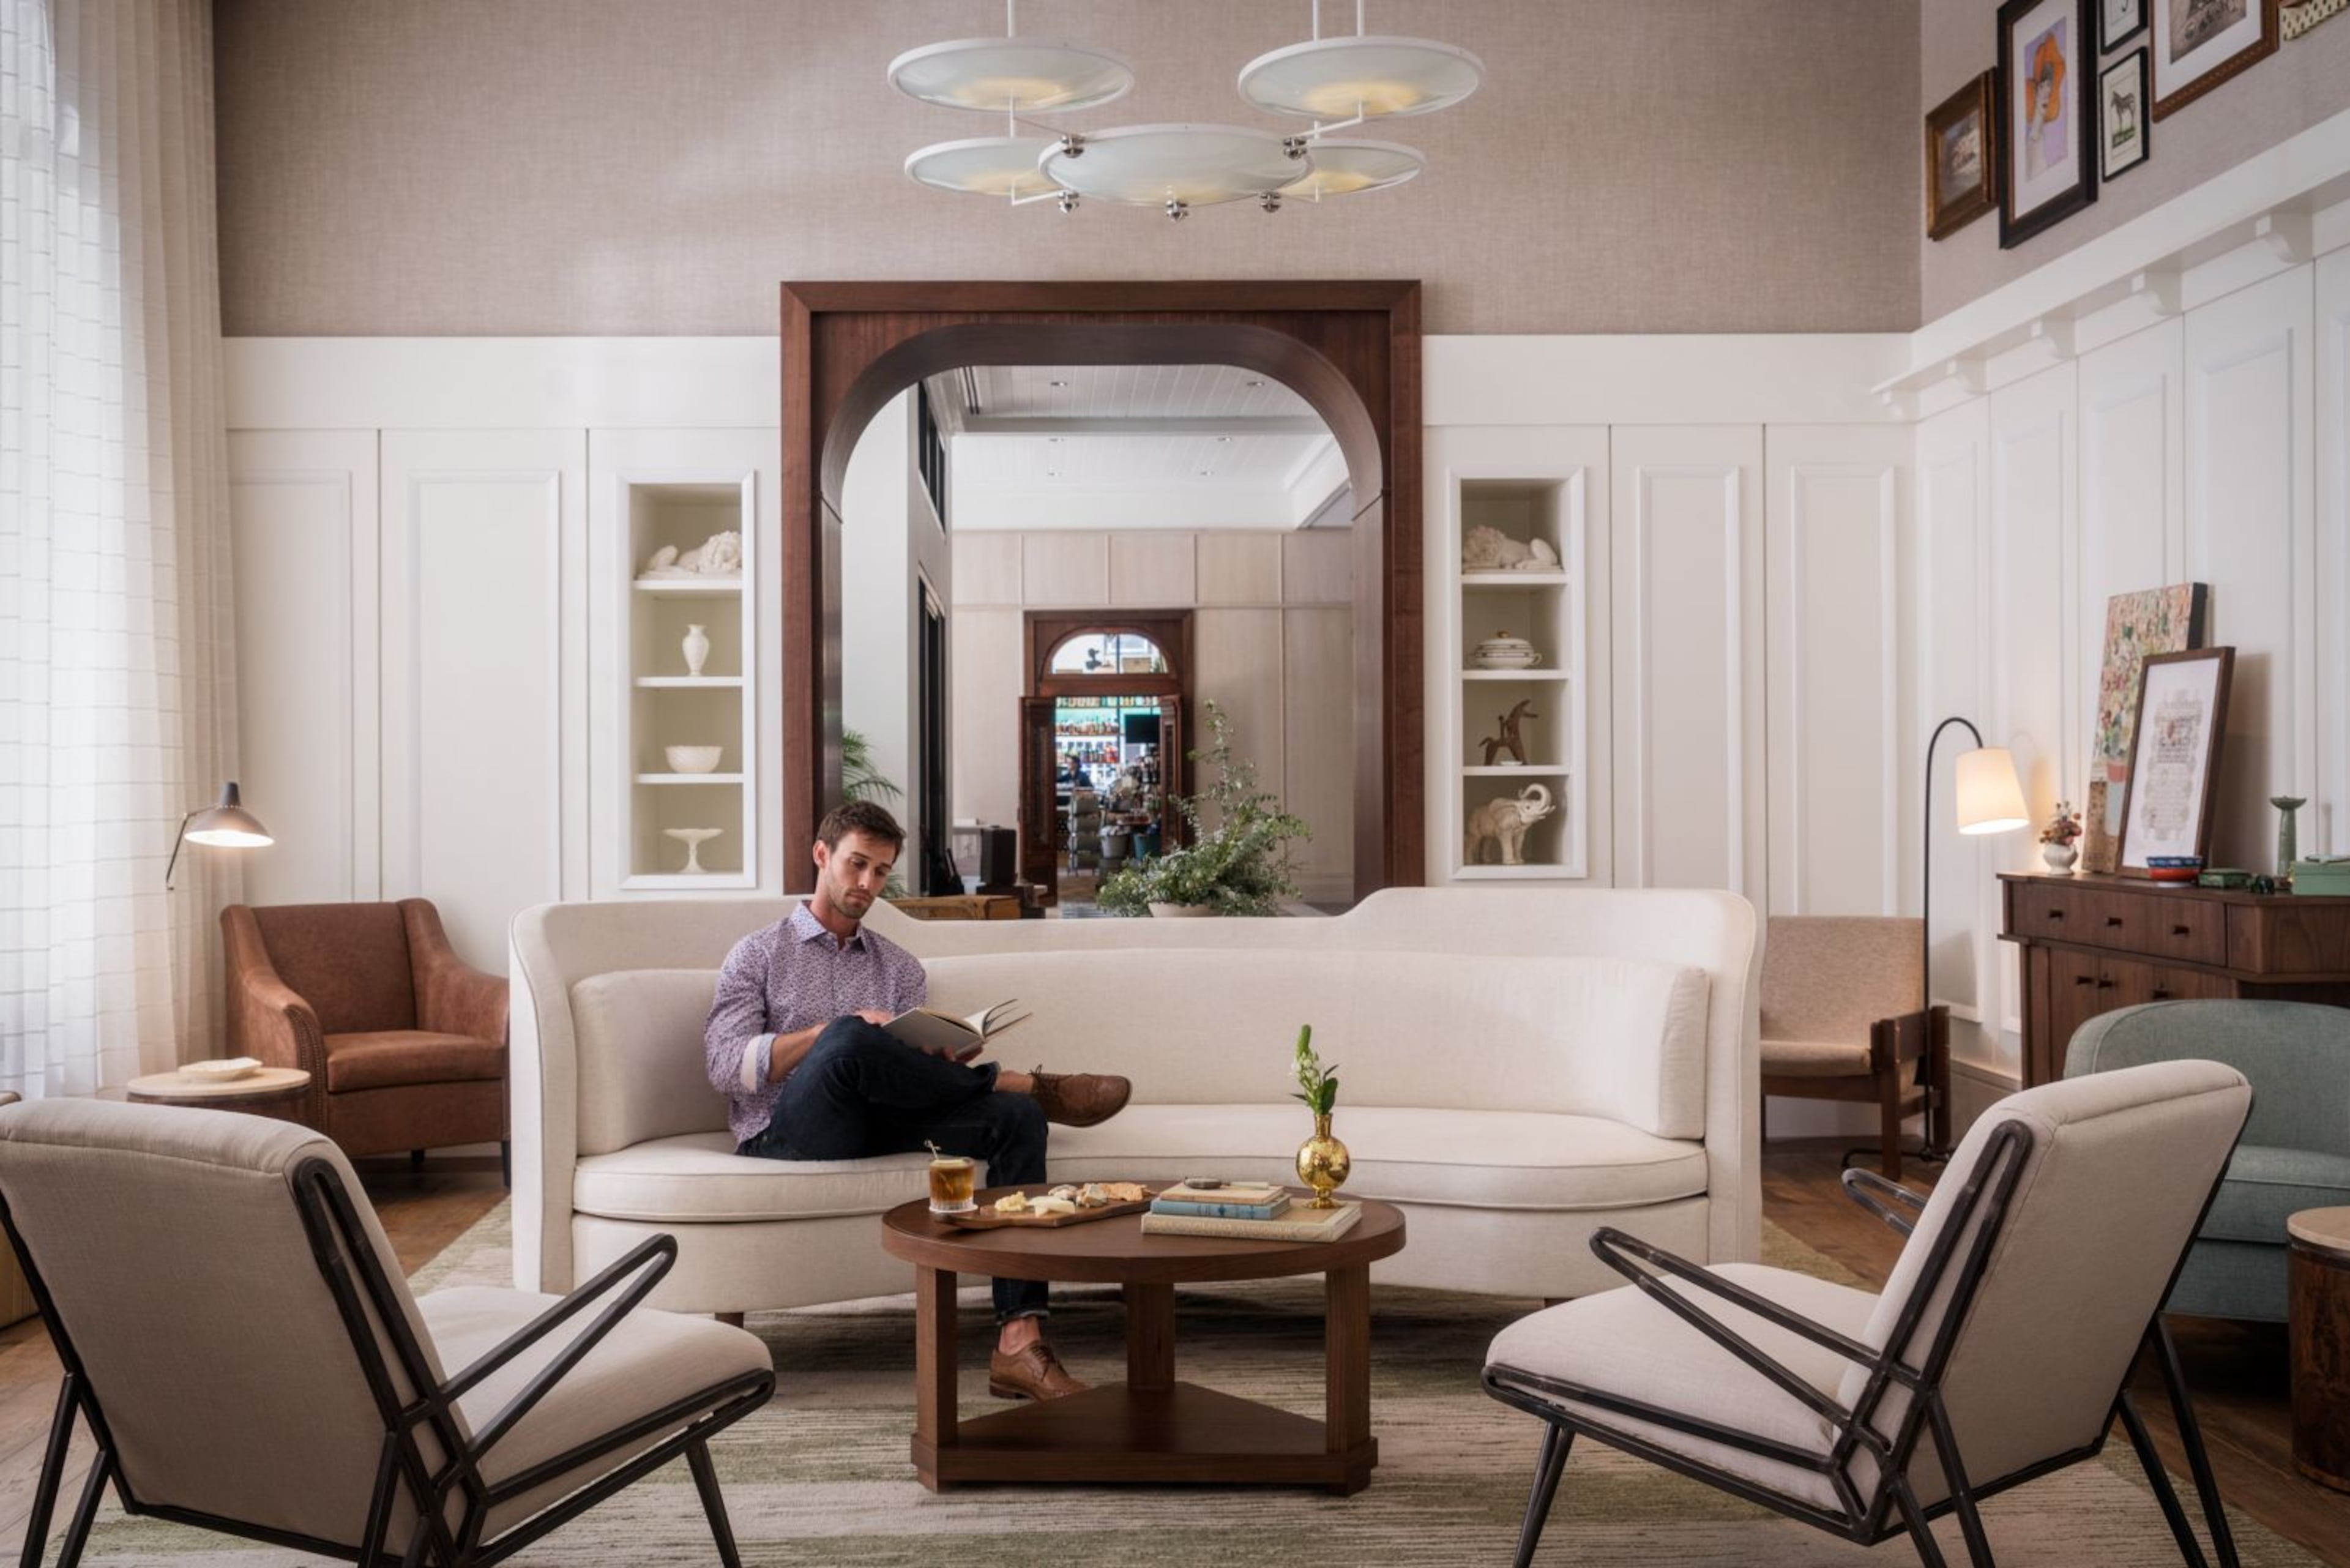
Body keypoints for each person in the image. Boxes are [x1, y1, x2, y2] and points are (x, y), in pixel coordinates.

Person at [704, 799, 1132, 1402]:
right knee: (849, 1034)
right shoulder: (759, 953)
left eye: (881, 872)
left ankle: (1019, 1342)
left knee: (1018, 1121)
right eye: (856, 865)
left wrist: (939, 1054)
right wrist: (832, 1033)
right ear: (821, 856)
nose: (867, 884)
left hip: (884, 1118)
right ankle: (1012, 1078)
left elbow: (905, 1074)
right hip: (788, 1131)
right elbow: (724, 1066)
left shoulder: (899, 967)